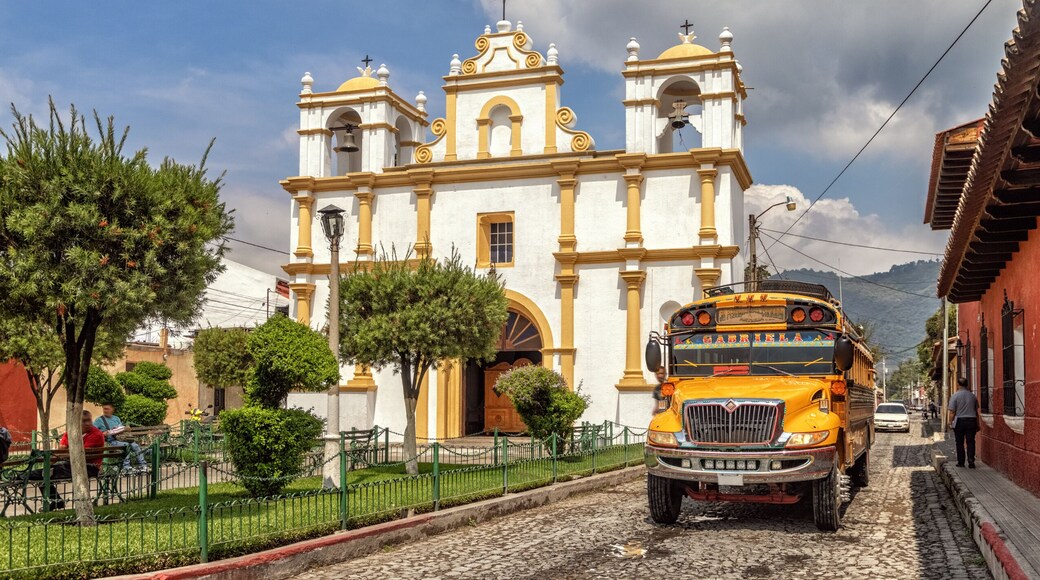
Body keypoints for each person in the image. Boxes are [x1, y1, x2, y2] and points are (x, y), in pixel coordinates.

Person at [28, 410, 105, 510]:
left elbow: (79, 454)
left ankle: (20, 477)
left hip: (89, 468)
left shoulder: (96, 434)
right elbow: (62, 450)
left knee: (42, 474)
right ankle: (56, 501)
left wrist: (59, 457)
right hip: (71, 465)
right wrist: (50, 463)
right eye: (84, 421)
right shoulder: (70, 432)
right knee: (43, 473)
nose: (88, 423)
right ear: (76, 422)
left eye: (89, 420)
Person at [95, 403, 149, 473]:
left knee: (135, 445)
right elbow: (93, 431)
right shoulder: (99, 420)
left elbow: (121, 428)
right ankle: (126, 467)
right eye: (104, 409)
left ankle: (143, 465)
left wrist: (123, 429)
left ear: (112, 409)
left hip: (121, 438)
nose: (105, 411)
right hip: (111, 441)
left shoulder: (116, 418)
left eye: (107, 409)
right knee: (126, 446)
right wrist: (103, 433)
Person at [947, 377, 981, 468]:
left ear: (958, 385)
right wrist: (978, 423)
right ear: (967, 385)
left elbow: (952, 412)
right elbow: (976, 411)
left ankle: (961, 462)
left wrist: (950, 422)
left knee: (959, 442)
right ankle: (971, 461)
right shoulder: (972, 396)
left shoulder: (955, 396)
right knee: (971, 442)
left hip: (960, 422)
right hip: (972, 421)